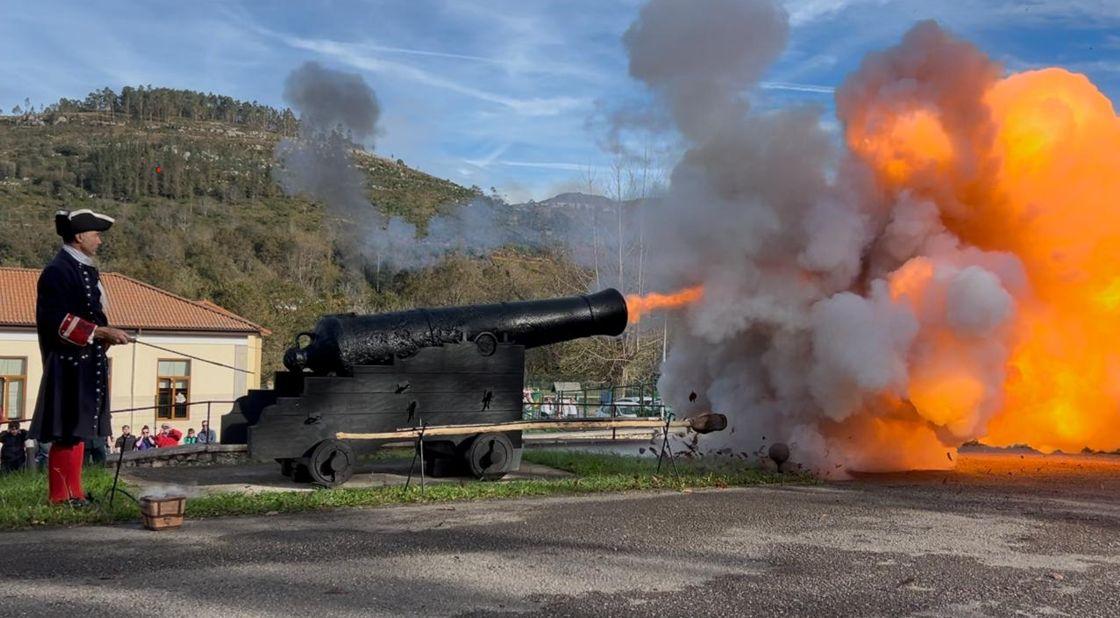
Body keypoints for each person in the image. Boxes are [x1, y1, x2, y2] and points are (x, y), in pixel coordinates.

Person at [29, 209, 131, 506]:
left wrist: (106, 335)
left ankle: (75, 492)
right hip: (68, 364)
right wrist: (99, 332)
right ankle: (60, 496)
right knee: (66, 431)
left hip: (86, 363)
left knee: (78, 430)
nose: (99, 241)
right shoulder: (57, 271)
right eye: (96, 235)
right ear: (79, 236)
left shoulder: (83, 269)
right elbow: (55, 321)